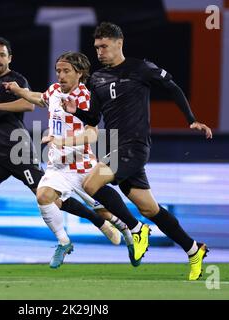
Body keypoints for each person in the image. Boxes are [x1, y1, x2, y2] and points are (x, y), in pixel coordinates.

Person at [64, 22, 213, 281]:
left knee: (90, 184)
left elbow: (172, 87)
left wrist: (191, 119)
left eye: (104, 46)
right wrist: (74, 110)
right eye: (96, 47)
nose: (99, 52)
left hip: (134, 145)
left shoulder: (140, 68)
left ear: (119, 43)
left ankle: (136, 229)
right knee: (149, 208)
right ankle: (193, 249)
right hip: (112, 147)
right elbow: (94, 117)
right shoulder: (97, 78)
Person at [0, 37, 121, 271]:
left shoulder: (14, 79)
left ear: (9, 58)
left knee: (52, 199)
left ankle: (101, 221)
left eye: (2, 55)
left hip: (18, 150)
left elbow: (28, 105)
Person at [2, 51, 149, 268]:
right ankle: (63, 242)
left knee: (106, 212)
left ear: (79, 73)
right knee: (43, 196)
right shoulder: (53, 91)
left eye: (66, 71)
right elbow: (38, 98)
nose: (60, 75)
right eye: (58, 71)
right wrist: (17, 90)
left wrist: (63, 141)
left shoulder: (85, 97)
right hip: (57, 166)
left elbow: (92, 134)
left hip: (83, 165)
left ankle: (129, 234)